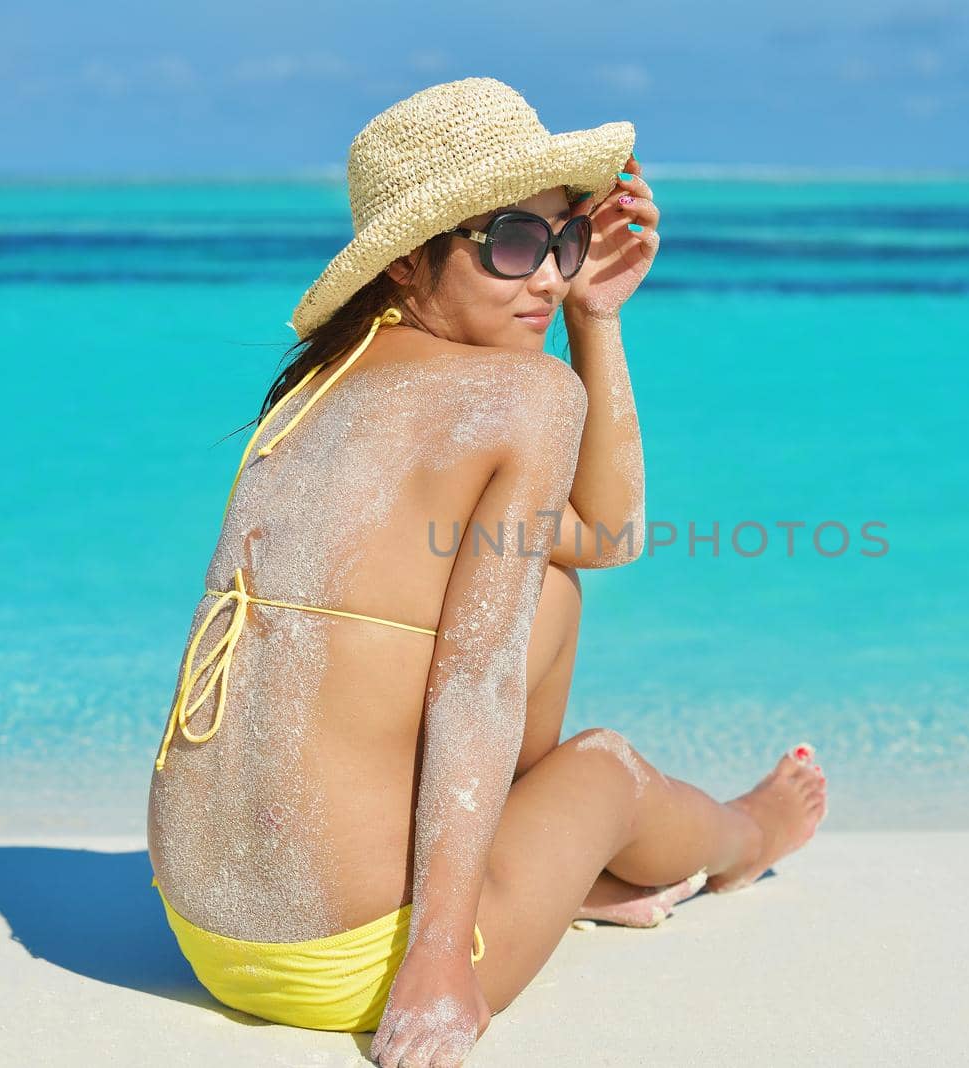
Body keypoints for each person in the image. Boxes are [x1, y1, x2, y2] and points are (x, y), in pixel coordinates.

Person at [145, 77, 827, 1068]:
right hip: (354, 962)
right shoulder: (524, 397)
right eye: (512, 243)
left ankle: (557, 869)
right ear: (407, 264)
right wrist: (434, 966)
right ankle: (743, 838)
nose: (547, 279)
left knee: (548, 586)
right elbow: (478, 680)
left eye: (566, 242)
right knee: (605, 769)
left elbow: (597, 535)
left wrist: (598, 318)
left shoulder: (306, 393)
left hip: (204, 939)